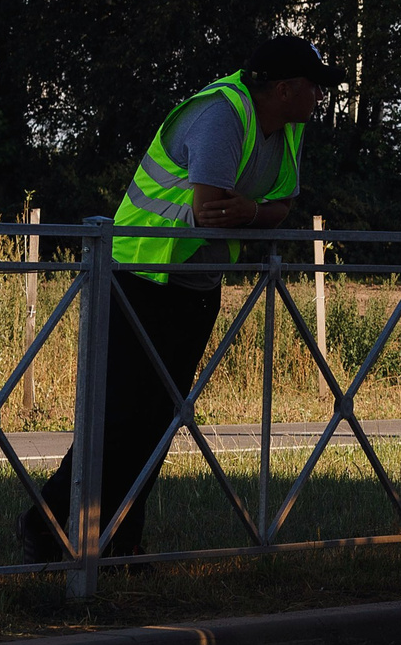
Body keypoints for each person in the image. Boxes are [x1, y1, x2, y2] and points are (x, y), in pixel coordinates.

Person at [20, 37, 335, 562]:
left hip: (195, 286)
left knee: (160, 421)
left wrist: (251, 211)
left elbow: (280, 209)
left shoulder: (289, 129)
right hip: (139, 275)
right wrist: (252, 212)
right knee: (120, 415)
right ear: (284, 89)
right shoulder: (221, 116)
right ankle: (48, 529)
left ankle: (119, 539)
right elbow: (211, 210)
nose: (319, 98)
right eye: (313, 87)